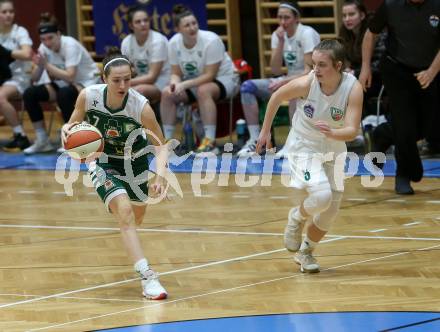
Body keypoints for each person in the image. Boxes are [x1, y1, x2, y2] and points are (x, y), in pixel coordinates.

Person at [61, 53, 168, 299]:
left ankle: (120, 209)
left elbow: (161, 145)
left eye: (127, 80)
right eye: (117, 80)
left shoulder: (141, 106)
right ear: (104, 79)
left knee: (136, 216)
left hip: (136, 162)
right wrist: (66, 131)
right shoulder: (89, 96)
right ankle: (148, 277)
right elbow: (71, 125)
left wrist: (160, 176)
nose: (122, 86)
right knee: (125, 212)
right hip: (102, 160)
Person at [256, 40, 363, 273]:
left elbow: (352, 130)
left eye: (322, 65)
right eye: (313, 64)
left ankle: (306, 252)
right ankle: (296, 217)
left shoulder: (353, 88)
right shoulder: (307, 83)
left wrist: (333, 133)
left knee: (330, 211)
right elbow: (275, 98)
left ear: (338, 65)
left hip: (334, 146)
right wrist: (264, 133)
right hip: (304, 146)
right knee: (322, 195)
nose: (316, 69)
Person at [359, 0, 440, 195]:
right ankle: (403, 175)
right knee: (405, 126)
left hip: (431, 71)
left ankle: (382, 134)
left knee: (427, 127)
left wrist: (431, 71)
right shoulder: (391, 5)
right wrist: (365, 68)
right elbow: (371, 33)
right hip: (397, 70)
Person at [237, 0, 320, 157]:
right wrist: (281, 42)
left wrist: (284, 81)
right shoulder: (278, 35)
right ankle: (256, 140)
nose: (282, 22)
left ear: (297, 18)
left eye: (286, 17)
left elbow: (310, 70)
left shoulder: (307, 33)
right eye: (279, 17)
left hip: (311, 80)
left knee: (294, 91)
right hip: (288, 79)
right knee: (247, 87)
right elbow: (275, 69)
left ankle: (293, 142)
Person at [160, 4, 239, 154]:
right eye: (187, 25)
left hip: (226, 79)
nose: (192, 28)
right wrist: (175, 83)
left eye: (194, 23)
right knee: (166, 93)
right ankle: (167, 141)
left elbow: (210, 75)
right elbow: (175, 72)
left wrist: (184, 84)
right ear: (178, 29)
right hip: (194, 82)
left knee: (204, 90)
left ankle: (210, 142)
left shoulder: (211, 40)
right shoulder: (173, 43)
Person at [23, 12, 100, 154]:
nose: (47, 42)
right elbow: (34, 79)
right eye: (43, 39)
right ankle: (42, 140)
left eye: (50, 38)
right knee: (30, 93)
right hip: (66, 84)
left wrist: (46, 65)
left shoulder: (70, 45)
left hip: (89, 82)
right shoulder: (43, 48)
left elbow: (70, 76)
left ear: (58, 34)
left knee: (64, 94)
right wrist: (39, 65)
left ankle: (74, 139)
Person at [120, 5, 170, 105]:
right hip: (141, 79)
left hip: (163, 82)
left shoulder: (158, 41)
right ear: (131, 25)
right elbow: (128, 69)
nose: (143, 24)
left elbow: (152, 77)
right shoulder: (126, 42)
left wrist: (123, 82)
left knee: (138, 91)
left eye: (146, 20)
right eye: (138, 22)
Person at [0, 0, 32, 151]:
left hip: (19, 77)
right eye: (4, 12)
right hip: (1, 76)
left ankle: (21, 136)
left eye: (10, 12)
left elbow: (27, 53)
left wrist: (7, 53)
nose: (8, 15)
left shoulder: (19, 32)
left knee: (0, 97)